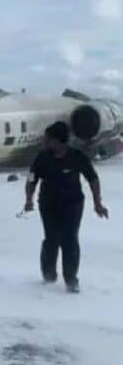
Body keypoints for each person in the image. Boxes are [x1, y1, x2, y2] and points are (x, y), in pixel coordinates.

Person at [24, 121, 108, 293]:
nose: (45, 142)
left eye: (48, 139)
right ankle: (49, 274)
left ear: (58, 141)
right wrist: (29, 199)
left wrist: (97, 203)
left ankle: (71, 279)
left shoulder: (77, 157)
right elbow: (32, 178)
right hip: (48, 203)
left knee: (69, 239)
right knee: (51, 239)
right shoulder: (42, 157)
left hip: (72, 204)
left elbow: (92, 178)